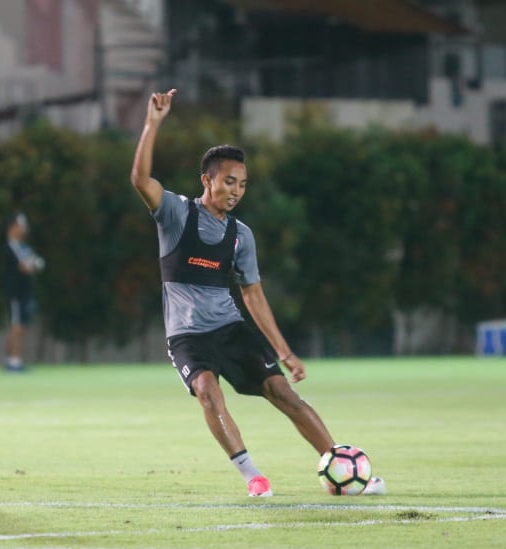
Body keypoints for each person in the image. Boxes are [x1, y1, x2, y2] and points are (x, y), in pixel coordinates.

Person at [130, 89, 385, 497]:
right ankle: (253, 477)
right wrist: (153, 123)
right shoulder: (177, 214)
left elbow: (254, 296)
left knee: (284, 393)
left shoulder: (240, 236)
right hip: (187, 337)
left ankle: (343, 468)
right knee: (208, 393)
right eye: (229, 181)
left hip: (231, 330)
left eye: (243, 184)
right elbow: (141, 179)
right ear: (206, 180)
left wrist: (285, 352)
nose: (236, 190)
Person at [2, 212, 45, 371]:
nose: (24, 229)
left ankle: (14, 360)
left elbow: (38, 263)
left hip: (24, 293)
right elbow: (25, 266)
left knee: (21, 327)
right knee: (16, 327)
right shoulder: (9, 248)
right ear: (12, 227)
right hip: (15, 294)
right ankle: (13, 361)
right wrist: (31, 265)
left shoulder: (23, 247)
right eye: (21, 225)